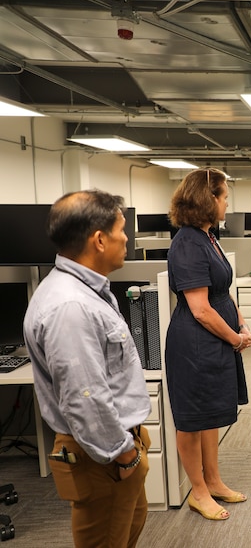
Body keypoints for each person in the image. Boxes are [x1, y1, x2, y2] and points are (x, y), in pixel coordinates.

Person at [23, 190, 152, 548]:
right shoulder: (71, 307)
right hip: (103, 457)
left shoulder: (86, 290)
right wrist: (124, 455)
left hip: (116, 449)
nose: (127, 238)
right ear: (98, 239)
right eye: (122, 230)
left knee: (125, 532)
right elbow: (85, 397)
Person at [166, 168, 251, 521]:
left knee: (211, 414)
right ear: (208, 199)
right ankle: (198, 492)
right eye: (224, 196)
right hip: (195, 343)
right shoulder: (187, 243)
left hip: (215, 339)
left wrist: (241, 321)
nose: (228, 202)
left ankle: (213, 481)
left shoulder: (208, 236)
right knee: (191, 418)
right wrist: (234, 337)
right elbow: (200, 309)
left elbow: (220, 292)